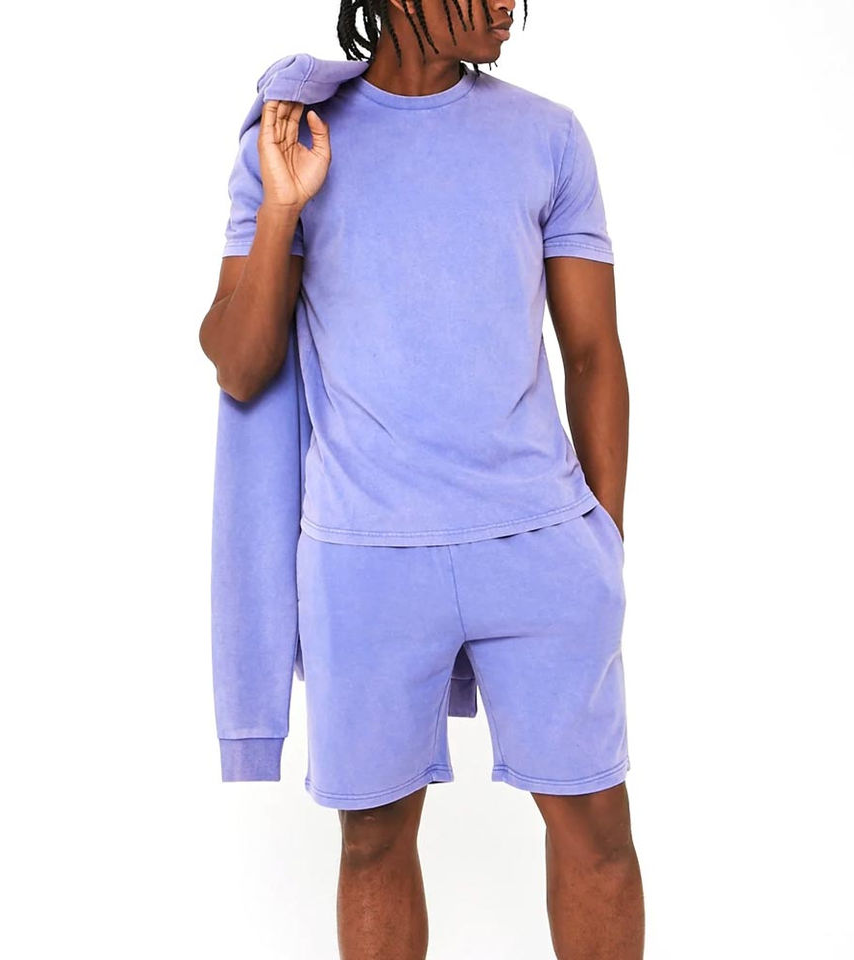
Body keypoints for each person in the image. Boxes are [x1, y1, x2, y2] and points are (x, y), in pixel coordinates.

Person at [199, 1, 644, 956]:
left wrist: (602, 545)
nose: (508, 6)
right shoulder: (293, 139)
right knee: (371, 840)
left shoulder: (548, 137)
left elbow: (594, 353)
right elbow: (239, 365)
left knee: (597, 828)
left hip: (540, 544)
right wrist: (282, 207)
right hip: (366, 557)